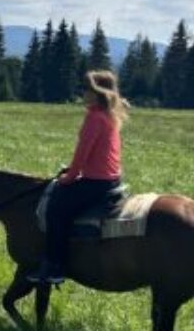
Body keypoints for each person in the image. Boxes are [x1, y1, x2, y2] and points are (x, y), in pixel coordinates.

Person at [34, 70, 128, 284]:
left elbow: (82, 153)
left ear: (97, 92)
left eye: (87, 89)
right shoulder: (109, 115)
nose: (83, 93)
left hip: (95, 183)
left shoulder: (94, 118)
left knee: (56, 210)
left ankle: (55, 268)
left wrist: (69, 177)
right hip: (111, 180)